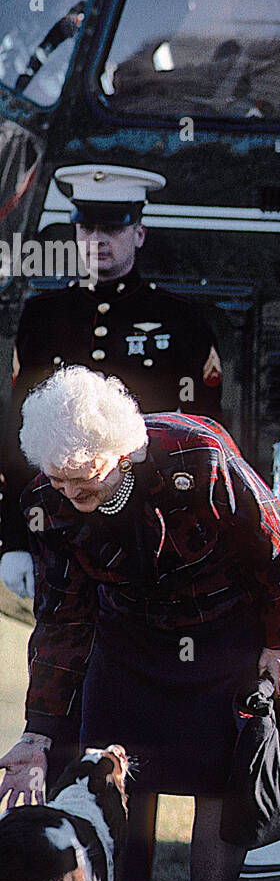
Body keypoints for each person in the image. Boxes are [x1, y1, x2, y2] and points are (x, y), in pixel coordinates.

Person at [0, 367, 280, 881]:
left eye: (83, 479)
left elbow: (275, 547)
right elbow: (61, 615)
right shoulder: (46, 502)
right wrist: (38, 733)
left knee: (218, 785)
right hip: (130, 637)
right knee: (106, 777)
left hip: (225, 630)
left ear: (121, 452)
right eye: (58, 479)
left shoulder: (198, 454)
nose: (70, 493)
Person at [0, 165, 223, 595]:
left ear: (139, 233)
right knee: (62, 657)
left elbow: (207, 433)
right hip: (61, 527)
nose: (97, 240)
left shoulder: (183, 320)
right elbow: (17, 434)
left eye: (113, 228)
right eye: (87, 228)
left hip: (153, 531)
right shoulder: (42, 316)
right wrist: (14, 539)